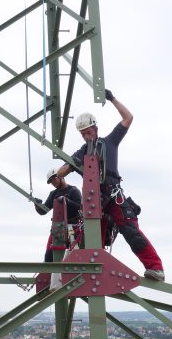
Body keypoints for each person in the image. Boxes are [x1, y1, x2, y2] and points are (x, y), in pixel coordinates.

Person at [54, 89, 165, 281]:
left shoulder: (109, 142)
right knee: (88, 238)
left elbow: (128, 118)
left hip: (112, 196)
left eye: (88, 132)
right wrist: (72, 164)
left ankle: (155, 268)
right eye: (83, 134)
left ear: (95, 129)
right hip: (94, 201)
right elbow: (61, 172)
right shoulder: (81, 153)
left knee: (130, 230)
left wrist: (112, 98)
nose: (86, 137)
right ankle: (84, 274)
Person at [35, 167, 83, 262]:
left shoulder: (74, 191)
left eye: (54, 179)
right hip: (58, 228)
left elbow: (79, 207)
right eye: (51, 181)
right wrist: (37, 205)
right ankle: (49, 274)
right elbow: (44, 211)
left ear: (61, 177)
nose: (53, 183)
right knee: (49, 255)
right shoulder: (53, 194)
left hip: (72, 228)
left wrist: (66, 200)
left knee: (75, 253)